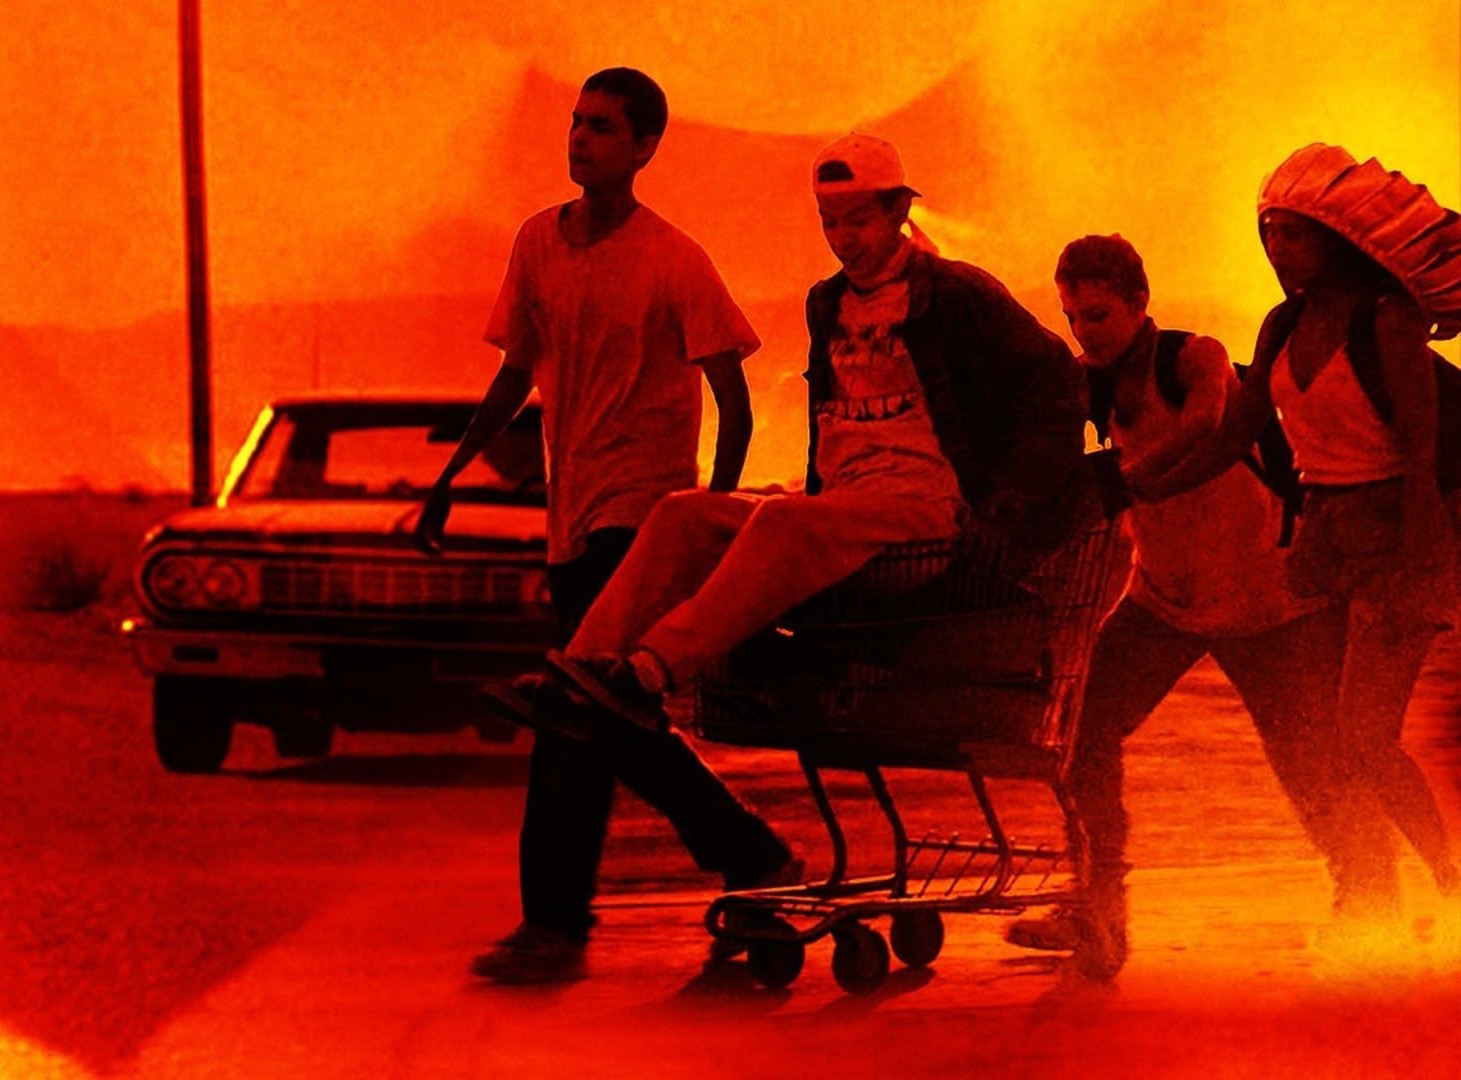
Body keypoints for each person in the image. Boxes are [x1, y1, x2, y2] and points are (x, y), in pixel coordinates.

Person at [415, 67, 797, 985]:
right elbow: (516, 374)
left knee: (573, 710)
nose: (581, 139)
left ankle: (552, 924)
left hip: (642, 517)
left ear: (644, 148)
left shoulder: (674, 258)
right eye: (576, 123)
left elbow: (734, 399)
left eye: (602, 127)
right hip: (571, 512)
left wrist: (706, 523)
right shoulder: (537, 243)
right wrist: (451, 476)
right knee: (601, 716)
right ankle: (748, 854)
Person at [516, 133, 1086, 741]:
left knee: (783, 520)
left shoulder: (955, 293)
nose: (843, 239)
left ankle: (651, 671)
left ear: (898, 210)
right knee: (682, 514)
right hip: (840, 513)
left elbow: (1056, 381)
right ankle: (577, 671)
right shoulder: (827, 302)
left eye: (858, 221)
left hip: (923, 515)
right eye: (829, 222)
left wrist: (1004, 510)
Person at [1003, 235, 1395, 980]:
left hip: (1269, 602)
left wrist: (1125, 479)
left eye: (1099, 315)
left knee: (1310, 764)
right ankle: (1099, 907)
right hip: (1165, 600)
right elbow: (1038, 452)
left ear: (1139, 303)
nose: (1085, 332)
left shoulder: (1192, 356)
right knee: (1082, 735)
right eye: (1072, 317)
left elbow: (1208, 422)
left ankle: (1371, 899)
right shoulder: (1086, 383)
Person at [1148, 144, 1461, 923]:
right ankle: (1369, 889)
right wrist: (1142, 484)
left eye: (1292, 233)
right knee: (1324, 734)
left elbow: (1422, 457)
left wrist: (1422, 562)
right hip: (1323, 542)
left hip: (1395, 535)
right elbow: (1238, 433)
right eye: (1268, 232)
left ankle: (1446, 876)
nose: (1276, 247)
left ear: (1336, 239)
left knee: (1363, 738)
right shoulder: (1282, 325)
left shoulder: (1386, 321)